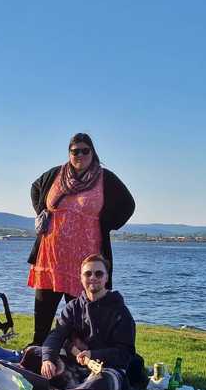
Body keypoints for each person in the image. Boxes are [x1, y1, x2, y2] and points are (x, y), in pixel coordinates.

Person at [27, 133, 135, 346]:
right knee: (43, 313)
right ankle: (38, 353)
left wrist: (105, 223)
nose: (80, 155)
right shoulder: (56, 175)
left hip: (85, 259)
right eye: (75, 151)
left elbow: (128, 205)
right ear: (69, 153)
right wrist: (42, 211)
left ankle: (79, 357)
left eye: (85, 150)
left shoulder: (105, 178)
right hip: (51, 257)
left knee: (81, 316)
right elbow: (35, 188)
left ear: (93, 152)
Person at [21, 254, 137, 390]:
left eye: (99, 273)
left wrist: (94, 354)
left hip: (106, 367)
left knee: (102, 379)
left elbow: (125, 353)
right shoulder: (73, 307)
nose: (93, 278)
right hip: (75, 365)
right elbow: (57, 335)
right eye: (88, 273)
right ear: (81, 278)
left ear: (106, 278)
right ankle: (33, 384)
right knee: (34, 352)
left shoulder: (120, 311)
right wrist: (48, 359)